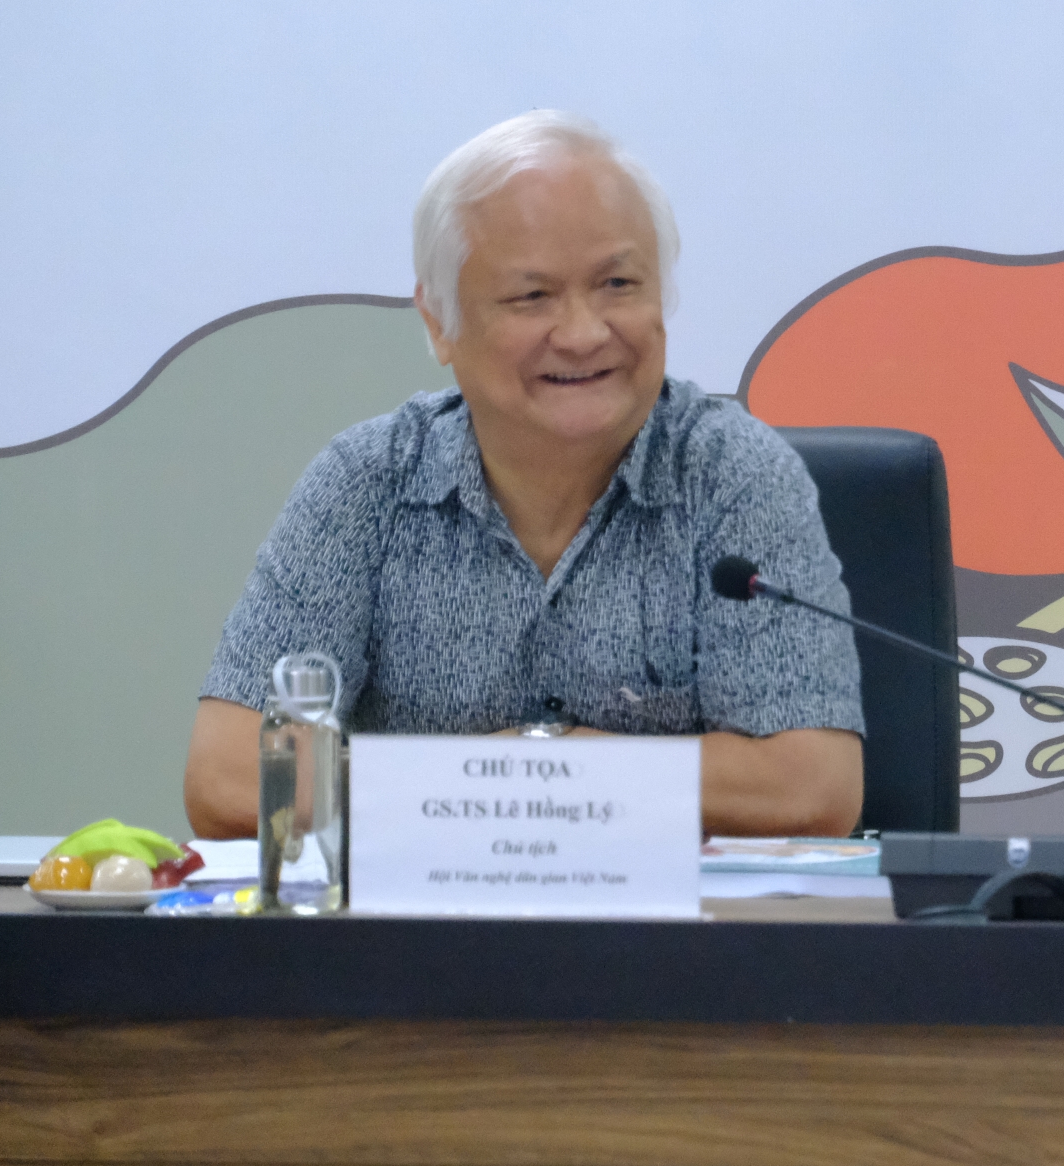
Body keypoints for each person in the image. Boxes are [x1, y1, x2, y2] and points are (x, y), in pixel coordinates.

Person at [183, 111, 864, 839]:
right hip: (426, 913)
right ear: (439, 322)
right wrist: (497, 778)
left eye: (618, 283)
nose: (584, 333)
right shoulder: (367, 483)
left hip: (667, 915)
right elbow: (231, 777)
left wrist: (542, 769)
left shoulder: (733, 475)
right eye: (532, 297)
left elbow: (812, 788)